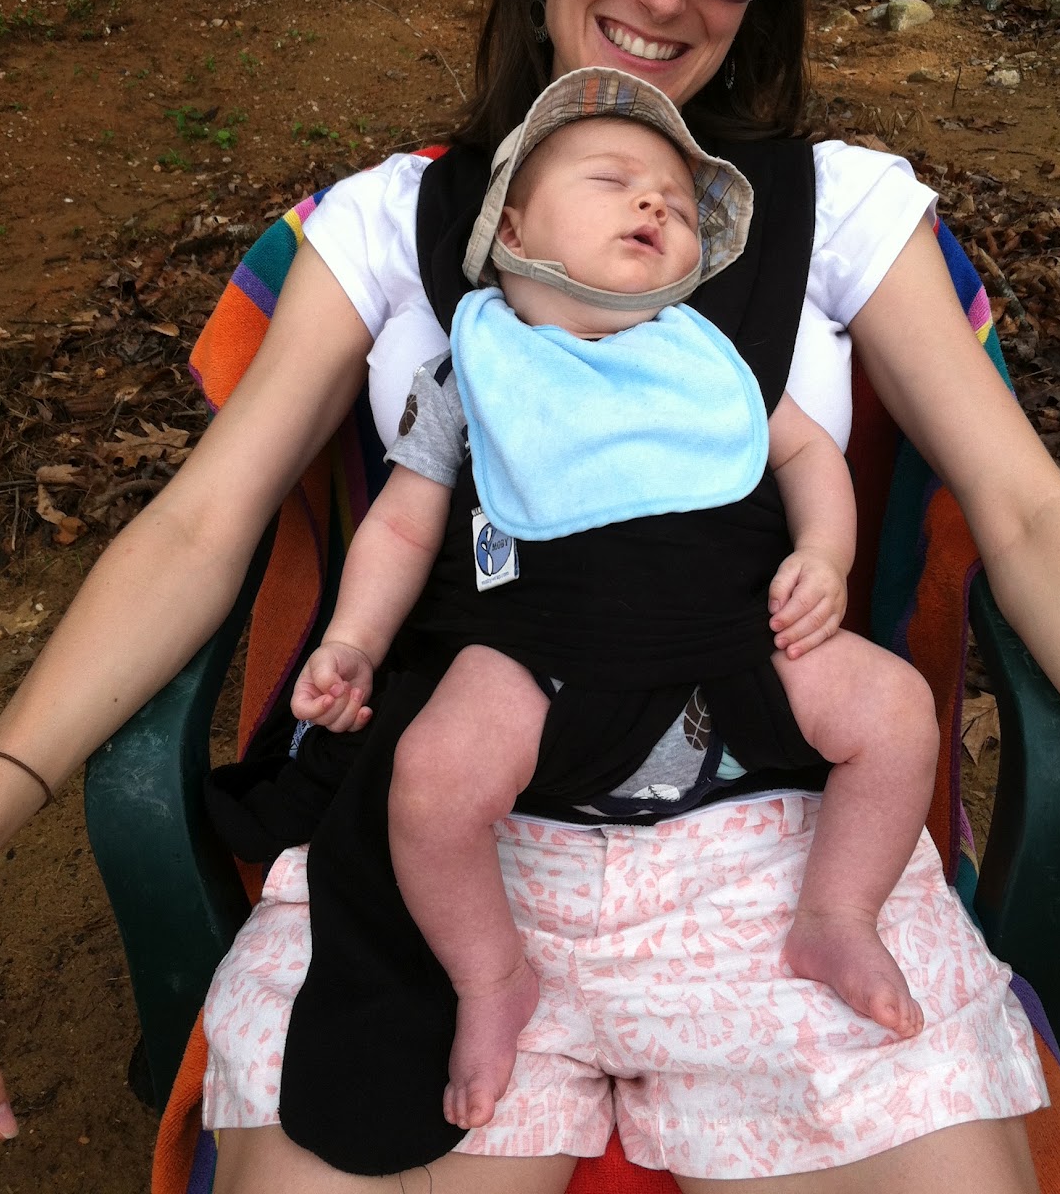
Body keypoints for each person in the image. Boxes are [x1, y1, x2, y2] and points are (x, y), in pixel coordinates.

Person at [0, 0, 1060, 1194]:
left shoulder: (837, 209)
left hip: (773, 845)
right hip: (454, 831)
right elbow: (199, 526)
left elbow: (1029, 515)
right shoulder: (395, 225)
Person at [288, 67, 939, 1134]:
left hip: (737, 653)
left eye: (677, 204)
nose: (653, 202)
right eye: (610, 180)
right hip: (538, 663)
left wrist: (824, 556)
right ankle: (491, 976)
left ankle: (836, 911)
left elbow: (808, 458)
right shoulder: (470, 370)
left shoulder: (712, 360)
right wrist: (354, 639)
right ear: (510, 230)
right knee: (430, 780)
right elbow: (403, 523)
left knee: (896, 711)